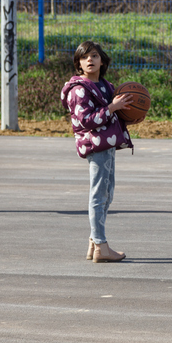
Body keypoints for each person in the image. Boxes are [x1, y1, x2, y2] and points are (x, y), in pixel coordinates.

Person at [61, 41, 139, 262]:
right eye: (84, 57)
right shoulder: (78, 89)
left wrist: (129, 114)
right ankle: (101, 246)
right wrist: (112, 108)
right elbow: (86, 121)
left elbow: (113, 114)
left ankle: (93, 243)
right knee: (98, 195)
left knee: (107, 193)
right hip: (95, 145)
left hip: (108, 144)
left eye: (94, 55)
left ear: (102, 61)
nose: (90, 60)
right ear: (78, 63)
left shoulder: (106, 85)